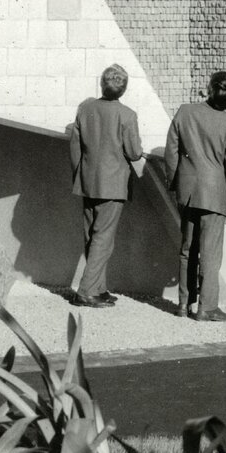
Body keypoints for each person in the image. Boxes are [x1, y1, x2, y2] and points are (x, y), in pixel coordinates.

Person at [165, 71, 226, 322]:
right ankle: (207, 307)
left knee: (188, 248)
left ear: (209, 89)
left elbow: (171, 152)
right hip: (215, 195)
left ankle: (183, 303)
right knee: (210, 253)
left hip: (187, 191)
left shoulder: (185, 111)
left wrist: (174, 183)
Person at [68, 64, 146, 308]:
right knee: (103, 238)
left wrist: (80, 175)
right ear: (123, 89)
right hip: (112, 184)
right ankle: (86, 291)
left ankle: (98, 287)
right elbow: (134, 153)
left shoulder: (85, 109)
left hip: (87, 180)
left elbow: (75, 148)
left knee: (93, 237)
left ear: (102, 84)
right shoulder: (128, 115)